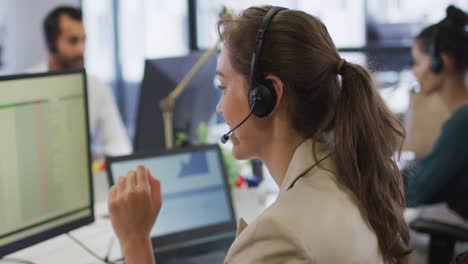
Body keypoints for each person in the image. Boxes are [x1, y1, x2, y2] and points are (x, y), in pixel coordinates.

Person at [108, 6, 411, 264]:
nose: (219, 107)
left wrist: (135, 242)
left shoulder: (278, 235)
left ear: (266, 97)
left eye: (223, 88)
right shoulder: (352, 179)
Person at [29, 6, 132, 157]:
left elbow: (120, 145)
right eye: (73, 41)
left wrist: (98, 158)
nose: (81, 50)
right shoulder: (27, 85)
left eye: (84, 40)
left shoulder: (96, 86)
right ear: (50, 45)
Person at [405, 5, 468, 222]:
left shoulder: (462, 122)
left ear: (442, 61)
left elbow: (416, 193)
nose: (414, 71)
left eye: (418, 62)